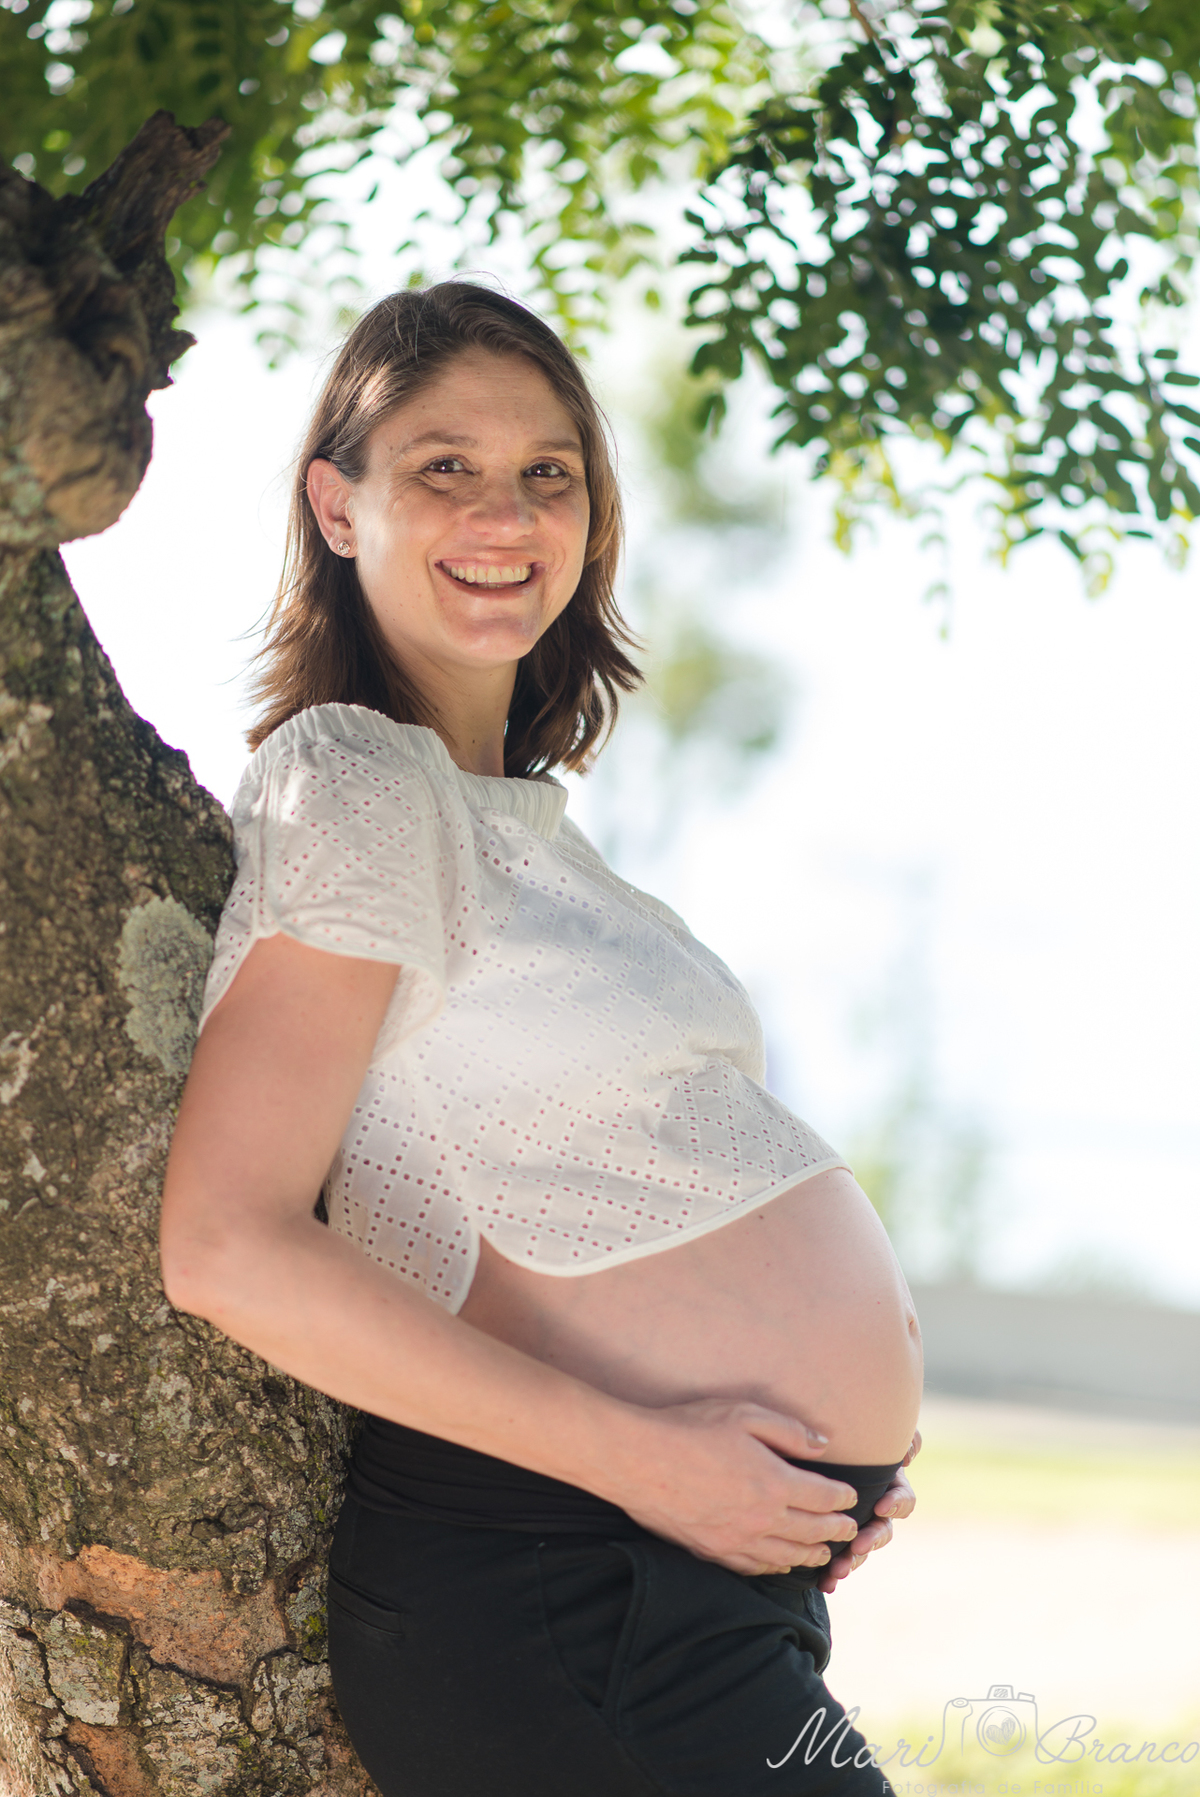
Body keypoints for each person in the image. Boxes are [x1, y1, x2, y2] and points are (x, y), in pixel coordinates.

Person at [160, 280, 923, 1797]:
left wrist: (812, 1471)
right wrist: (657, 1460)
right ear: (336, 502)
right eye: (443, 465)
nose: (502, 512)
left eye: (546, 472)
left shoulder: (516, 830)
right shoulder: (357, 785)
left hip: (674, 1581)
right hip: (563, 1587)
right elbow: (225, 1245)